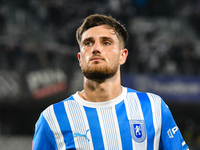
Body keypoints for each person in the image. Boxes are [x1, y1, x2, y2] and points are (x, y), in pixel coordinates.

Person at [32, 14, 189, 150]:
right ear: (80, 58)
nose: (96, 49)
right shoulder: (52, 118)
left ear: (123, 55)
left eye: (106, 42)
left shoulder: (153, 107)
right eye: (88, 43)